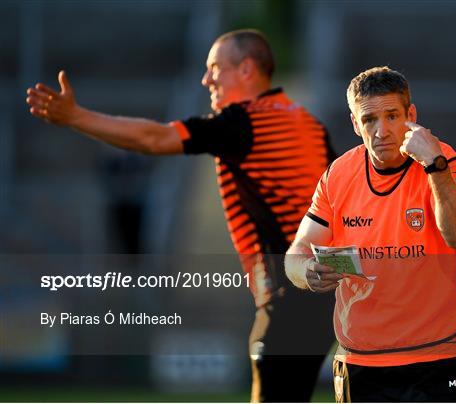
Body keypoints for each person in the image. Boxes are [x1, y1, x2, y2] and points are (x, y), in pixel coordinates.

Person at [26, 29, 336, 402]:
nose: (206, 80)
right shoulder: (309, 125)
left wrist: (76, 116)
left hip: (288, 295)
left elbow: (153, 139)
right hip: (322, 296)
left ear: (247, 70)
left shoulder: (243, 122)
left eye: (215, 68)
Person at [285, 66, 456, 402]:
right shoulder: (338, 175)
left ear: (411, 115)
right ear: (356, 124)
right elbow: (297, 251)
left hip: (438, 356)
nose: (381, 130)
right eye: (369, 120)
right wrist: (306, 272)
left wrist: (435, 164)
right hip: (360, 359)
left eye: (391, 116)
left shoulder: (447, 163)